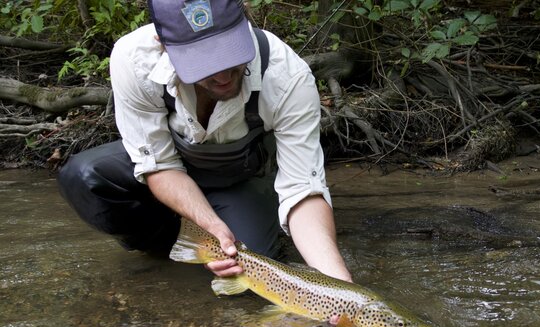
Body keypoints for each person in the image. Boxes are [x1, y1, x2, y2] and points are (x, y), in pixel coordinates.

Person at [58, 0, 352, 283]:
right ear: (163, 43)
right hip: (171, 172)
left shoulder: (287, 77)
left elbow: (303, 191)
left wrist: (339, 284)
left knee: (251, 269)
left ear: (245, 18)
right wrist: (210, 227)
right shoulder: (134, 60)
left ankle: (215, 236)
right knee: (84, 177)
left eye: (230, 51)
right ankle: (167, 247)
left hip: (243, 180)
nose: (223, 74)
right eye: (203, 61)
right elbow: (159, 164)